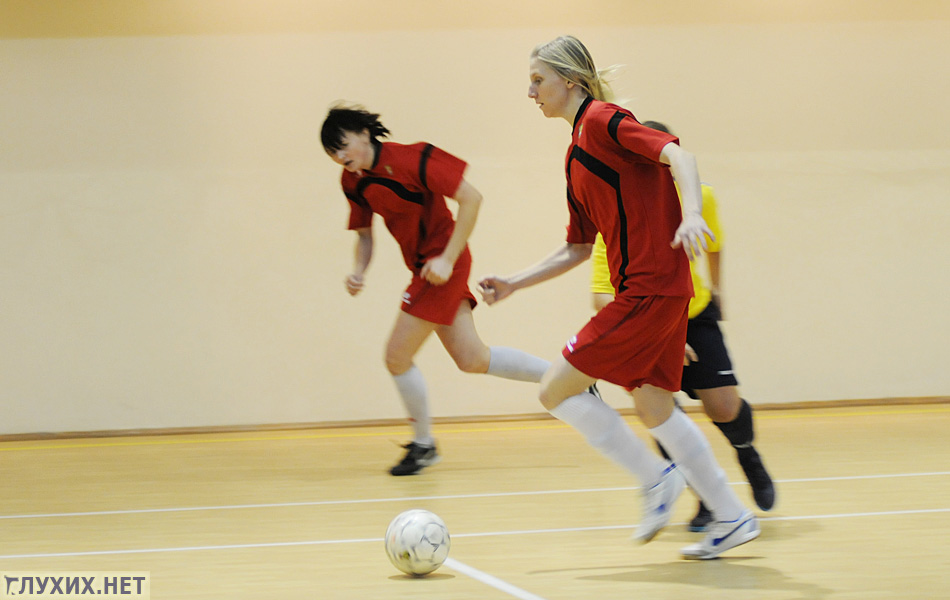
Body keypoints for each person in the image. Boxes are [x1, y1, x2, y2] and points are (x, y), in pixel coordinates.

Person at [478, 36, 759, 559]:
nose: (530, 92)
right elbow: (578, 247)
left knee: (554, 390)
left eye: (538, 80)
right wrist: (515, 282)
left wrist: (692, 215)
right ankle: (731, 516)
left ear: (570, 80)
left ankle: (657, 479)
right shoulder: (574, 157)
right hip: (653, 291)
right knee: (654, 407)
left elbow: (680, 155)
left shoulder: (604, 120)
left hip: (650, 288)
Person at [322, 104, 551, 476]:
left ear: (364, 134)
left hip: (443, 266)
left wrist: (447, 258)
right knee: (472, 358)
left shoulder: (412, 158)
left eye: (343, 145)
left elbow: (472, 198)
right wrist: (358, 271)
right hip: (425, 269)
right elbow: (364, 235)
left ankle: (424, 445)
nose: (339, 157)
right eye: (332, 153)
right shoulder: (353, 181)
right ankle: (564, 376)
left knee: (396, 356)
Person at [590, 120, 775, 532]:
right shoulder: (614, 212)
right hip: (646, 326)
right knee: (659, 412)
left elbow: (713, 243)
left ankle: (747, 451)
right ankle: (707, 500)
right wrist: (651, 336)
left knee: (723, 406)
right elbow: (601, 293)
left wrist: (718, 289)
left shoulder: (697, 197)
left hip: (693, 314)